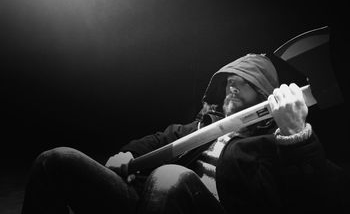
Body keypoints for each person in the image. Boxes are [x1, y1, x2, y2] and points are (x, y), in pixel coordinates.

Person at [21, 53, 348, 214]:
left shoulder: (276, 142)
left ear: (264, 93)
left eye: (243, 83)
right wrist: (128, 155)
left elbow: (322, 194)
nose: (232, 87)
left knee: (170, 177)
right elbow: (154, 141)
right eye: (229, 82)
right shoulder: (199, 128)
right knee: (56, 160)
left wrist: (297, 135)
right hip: (151, 204)